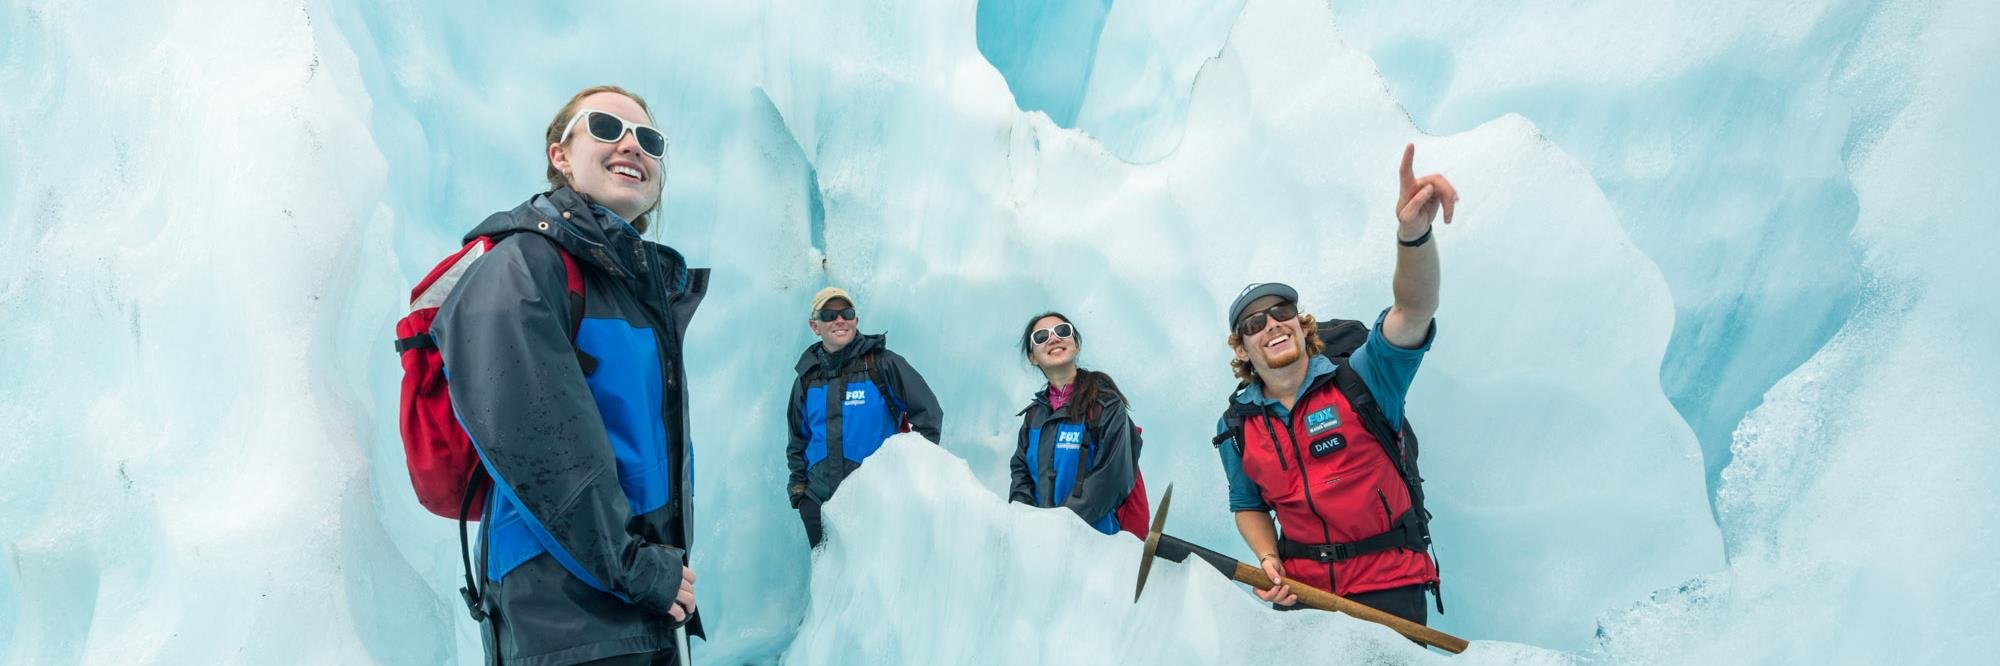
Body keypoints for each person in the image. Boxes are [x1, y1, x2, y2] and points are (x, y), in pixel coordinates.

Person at [429, 85, 706, 665]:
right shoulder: (523, 265)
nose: (632, 145)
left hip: (628, 608)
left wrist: (646, 576)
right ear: (560, 154)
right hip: (564, 621)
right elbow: (537, 443)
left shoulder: (623, 286)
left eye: (649, 139)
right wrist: (632, 567)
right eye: (605, 127)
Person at [1213, 144, 1459, 626]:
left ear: (1302, 324)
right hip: (1305, 598)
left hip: (1391, 585)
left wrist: (1413, 236)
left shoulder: (1364, 378)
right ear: (1241, 348)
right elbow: (1247, 503)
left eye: (1282, 312)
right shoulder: (1238, 426)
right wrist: (1269, 560)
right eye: (1255, 322)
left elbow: (1413, 311)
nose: (1272, 325)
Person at [786, 287, 944, 548]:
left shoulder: (882, 365)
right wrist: (801, 495)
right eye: (829, 314)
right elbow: (797, 440)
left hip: (877, 502)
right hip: (819, 502)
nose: (840, 320)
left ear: (856, 321)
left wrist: (909, 474)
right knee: (829, 584)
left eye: (846, 313)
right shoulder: (806, 380)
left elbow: (929, 414)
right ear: (815, 326)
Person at [1009, 312, 1138, 534]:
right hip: (1041, 541)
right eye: (1041, 337)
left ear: (1076, 345)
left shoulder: (1104, 405)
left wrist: (1062, 525)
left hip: (1094, 544)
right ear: (1033, 357)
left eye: (1062, 331)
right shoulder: (1033, 418)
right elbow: (1021, 473)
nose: (1053, 338)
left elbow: (1112, 478)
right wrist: (1025, 522)